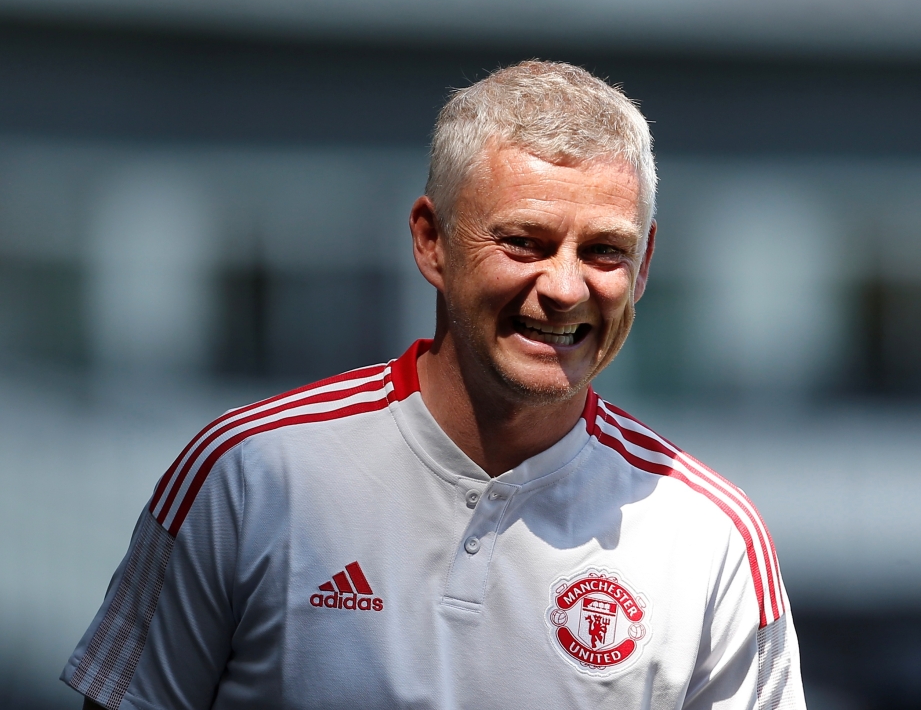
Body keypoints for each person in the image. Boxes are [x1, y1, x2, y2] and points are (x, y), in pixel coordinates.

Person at [64, 60, 805, 710]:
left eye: (605, 250)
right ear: (431, 241)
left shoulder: (711, 538)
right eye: (525, 242)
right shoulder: (248, 475)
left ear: (644, 266)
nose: (565, 287)